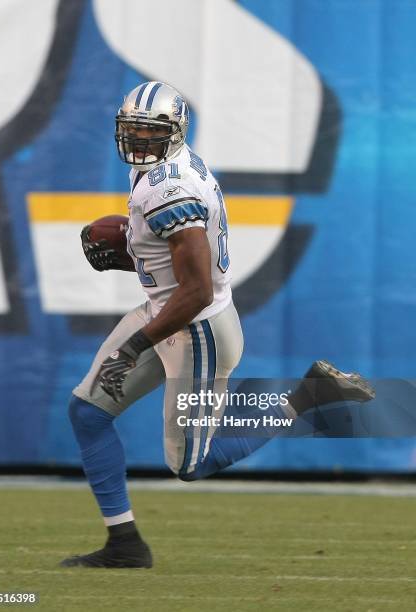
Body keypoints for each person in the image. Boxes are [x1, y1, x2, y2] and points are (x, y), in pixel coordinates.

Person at [61, 81, 375, 569]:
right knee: (88, 412)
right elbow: (175, 262)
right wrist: (133, 251)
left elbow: (197, 289)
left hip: (195, 330)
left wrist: (134, 346)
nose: (140, 141)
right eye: (133, 131)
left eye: (151, 132)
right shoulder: (163, 171)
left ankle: (308, 396)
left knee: (191, 465)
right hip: (165, 312)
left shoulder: (170, 187)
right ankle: (124, 545)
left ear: (175, 132)